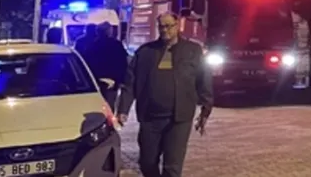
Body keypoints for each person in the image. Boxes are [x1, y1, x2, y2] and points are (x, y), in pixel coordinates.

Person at [117, 13, 213, 177]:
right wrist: (123, 109)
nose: (164, 30)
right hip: (150, 118)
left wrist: (206, 108)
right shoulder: (145, 52)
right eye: (161, 26)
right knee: (147, 162)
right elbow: (130, 82)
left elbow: (204, 79)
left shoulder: (192, 51)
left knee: (172, 166)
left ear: (178, 26)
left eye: (169, 26)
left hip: (179, 119)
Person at [80, 22, 129, 108]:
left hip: (96, 80)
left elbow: (87, 63)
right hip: (112, 80)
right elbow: (123, 62)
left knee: (96, 104)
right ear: (109, 31)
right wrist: (121, 79)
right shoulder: (116, 44)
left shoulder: (92, 46)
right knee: (110, 105)